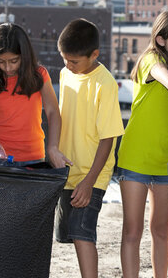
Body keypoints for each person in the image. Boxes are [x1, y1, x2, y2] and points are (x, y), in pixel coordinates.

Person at [117, 10, 168, 278]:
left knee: (162, 231)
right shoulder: (151, 60)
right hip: (136, 158)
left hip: (167, 161)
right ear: (162, 39)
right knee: (132, 231)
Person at [54, 18, 125, 278]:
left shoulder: (105, 84)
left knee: (84, 234)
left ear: (94, 54)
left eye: (74, 61)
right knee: (69, 234)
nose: (68, 65)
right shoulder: (65, 74)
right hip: (66, 171)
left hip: (92, 174)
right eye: (64, 59)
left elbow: (108, 138)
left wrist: (90, 181)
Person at [0, 23, 66, 167]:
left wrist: (53, 147)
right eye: (1, 61)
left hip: (33, 155)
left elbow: (53, 112)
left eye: (14, 61)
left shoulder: (39, 75)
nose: (7, 67)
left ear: (24, 56)